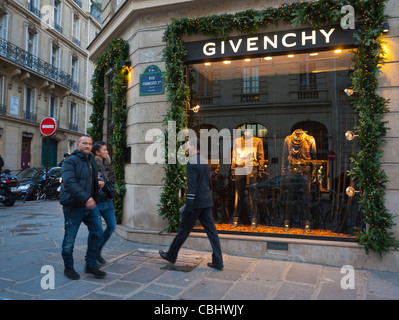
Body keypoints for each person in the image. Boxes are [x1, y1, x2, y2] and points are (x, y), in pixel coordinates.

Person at [159, 137, 224, 270]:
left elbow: (192, 186)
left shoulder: (192, 162)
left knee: (183, 230)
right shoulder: (205, 162)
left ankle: (171, 255)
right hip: (206, 201)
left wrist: (189, 205)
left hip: (195, 203)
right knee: (212, 232)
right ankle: (218, 260)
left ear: (194, 147)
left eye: (188, 146)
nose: (186, 148)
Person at [60, 135, 106, 280]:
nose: (87, 146)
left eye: (90, 143)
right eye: (84, 143)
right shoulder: (69, 161)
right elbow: (69, 182)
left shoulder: (91, 160)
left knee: (98, 232)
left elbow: (90, 178)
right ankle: (68, 268)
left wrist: (98, 182)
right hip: (74, 205)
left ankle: (91, 264)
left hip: (90, 205)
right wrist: (86, 198)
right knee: (69, 239)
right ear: (78, 144)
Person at [92, 141, 116, 264]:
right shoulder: (92, 165)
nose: (107, 152)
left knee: (112, 226)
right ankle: (93, 254)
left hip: (108, 201)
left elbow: (112, 180)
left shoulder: (108, 165)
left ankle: (97, 250)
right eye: (104, 150)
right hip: (96, 202)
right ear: (97, 152)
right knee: (97, 231)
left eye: (107, 150)